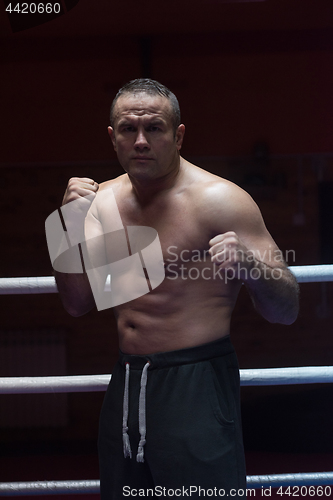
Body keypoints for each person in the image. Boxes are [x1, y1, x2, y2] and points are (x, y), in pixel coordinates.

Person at [53, 79, 299, 499]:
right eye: (129, 129)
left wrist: (250, 266)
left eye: (156, 128)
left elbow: (286, 309)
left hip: (197, 380)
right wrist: (66, 226)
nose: (142, 140)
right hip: (127, 380)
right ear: (113, 138)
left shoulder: (220, 200)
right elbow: (76, 302)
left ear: (179, 135)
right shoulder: (100, 203)